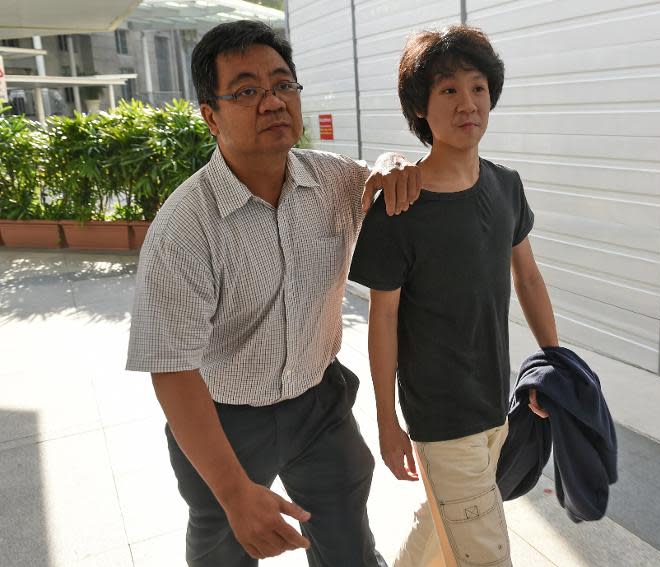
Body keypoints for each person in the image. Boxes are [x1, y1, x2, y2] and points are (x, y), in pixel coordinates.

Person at [126, 20, 421, 567]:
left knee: (348, 543)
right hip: (225, 418)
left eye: (284, 84)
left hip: (319, 401)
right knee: (223, 545)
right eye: (246, 90)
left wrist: (392, 165)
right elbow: (170, 368)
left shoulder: (332, 181)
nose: (273, 102)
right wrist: (236, 493)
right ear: (210, 116)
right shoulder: (185, 226)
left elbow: (380, 179)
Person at [348, 26, 559, 567]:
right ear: (420, 107)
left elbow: (529, 279)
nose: (468, 103)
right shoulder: (399, 208)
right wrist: (386, 420)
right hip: (442, 416)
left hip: (496, 402)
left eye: (478, 88)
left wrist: (552, 366)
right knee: (485, 553)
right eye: (448, 90)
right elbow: (383, 320)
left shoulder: (507, 185)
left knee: (440, 527)